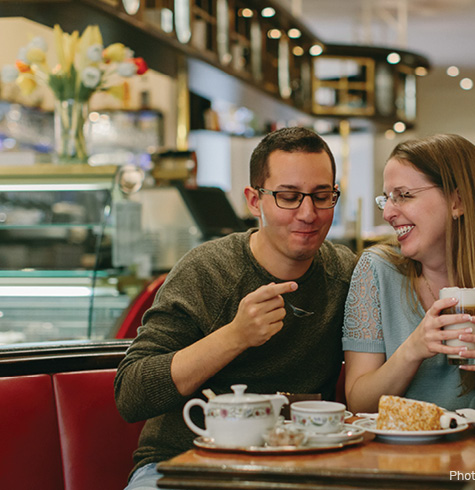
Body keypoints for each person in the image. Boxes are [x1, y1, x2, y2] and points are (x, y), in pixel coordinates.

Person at [115, 127, 356, 489]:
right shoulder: (207, 269)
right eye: (288, 197)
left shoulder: (344, 274)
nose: (309, 213)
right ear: (254, 200)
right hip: (183, 462)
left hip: (298, 465)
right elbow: (131, 394)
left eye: (322, 196)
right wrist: (235, 335)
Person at [342, 134, 475, 414]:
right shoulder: (376, 270)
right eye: (387, 199)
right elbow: (359, 403)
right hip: (399, 454)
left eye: (404, 195)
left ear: (458, 201)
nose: (388, 213)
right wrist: (413, 349)